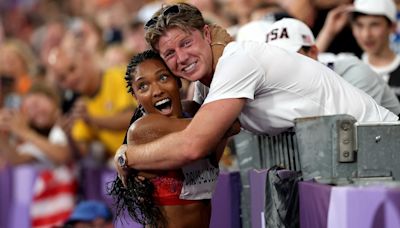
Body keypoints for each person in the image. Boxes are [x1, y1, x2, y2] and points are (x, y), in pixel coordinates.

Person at [115, 2, 398, 177]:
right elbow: (209, 158)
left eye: (186, 43)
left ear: (206, 34)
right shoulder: (206, 85)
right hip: (349, 162)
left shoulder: (238, 61)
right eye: (169, 53)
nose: (181, 58)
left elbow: (193, 145)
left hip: (380, 149)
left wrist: (129, 155)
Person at [109, 50, 227, 227]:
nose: (156, 91)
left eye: (163, 77)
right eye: (143, 86)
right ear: (136, 98)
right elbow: (225, 124)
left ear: (178, 80)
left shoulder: (193, 112)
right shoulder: (145, 128)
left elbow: (227, 125)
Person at [265, 17, 400, 115]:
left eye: (290, 57)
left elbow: (350, 137)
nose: (283, 65)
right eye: (276, 59)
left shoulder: (353, 74)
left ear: (312, 52)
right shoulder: (284, 83)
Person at [0, 83, 77, 228]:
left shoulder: (63, 125)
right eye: (29, 110)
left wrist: (23, 132)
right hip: (47, 219)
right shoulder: (40, 140)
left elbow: (61, 154)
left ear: (52, 99)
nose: (34, 112)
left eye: (36, 103)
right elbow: (17, 159)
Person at [316, 0, 400, 101]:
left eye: (374, 25)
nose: (366, 35)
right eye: (359, 25)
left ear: (392, 27)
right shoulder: (346, 64)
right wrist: (328, 32)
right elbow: (305, 65)